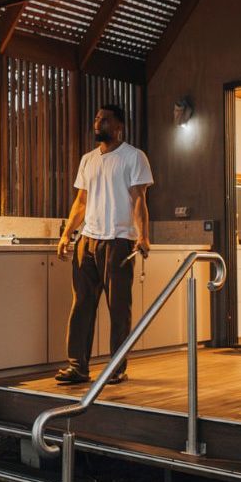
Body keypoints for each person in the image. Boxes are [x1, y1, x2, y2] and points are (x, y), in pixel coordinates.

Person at [53, 104, 153, 385]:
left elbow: (138, 200)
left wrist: (143, 235)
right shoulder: (88, 160)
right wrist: (67, 234)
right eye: (97, 119)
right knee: (81, 304)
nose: (98, 123)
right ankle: (77, 367)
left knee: (118, 308)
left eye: (105, 120)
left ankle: (116, 368)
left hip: (119, 241)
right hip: (88, 240)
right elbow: (81, 202)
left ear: (119, 126)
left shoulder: (133, 157)